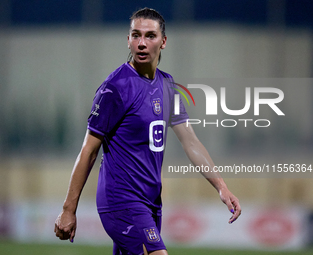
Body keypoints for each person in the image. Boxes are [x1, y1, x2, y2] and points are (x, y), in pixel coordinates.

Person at [54, 7, 241, 255]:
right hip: (121, 200)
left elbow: (190, 141)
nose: (142, 43)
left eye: (150, 36)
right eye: (136, 35)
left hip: (151, 202)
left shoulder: (167, 85)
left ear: (163, 42)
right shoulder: (115, 87)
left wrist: (221, 187)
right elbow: (88, 151)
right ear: (128, 39)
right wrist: (69, 209)